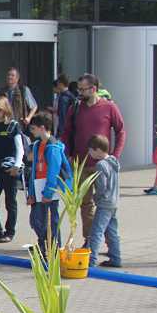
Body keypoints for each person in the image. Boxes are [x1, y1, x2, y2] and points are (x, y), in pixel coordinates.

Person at [60, 73, 125, 246]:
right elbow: (66, 132)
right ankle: (90, 242)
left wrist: (115, 156)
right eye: (78, 89)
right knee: (86, 205)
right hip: (80, 164)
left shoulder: (109, 107)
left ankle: (112, 246)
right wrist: (66, 153)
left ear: (94, 89)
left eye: (83, 89)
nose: (79, 93)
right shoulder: (75, 107)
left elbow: (121, 131)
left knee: (107, 206)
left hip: (103, 166)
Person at [26, 113, 70, 254]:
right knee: (36, 220)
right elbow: (34, 171)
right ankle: (44, 244)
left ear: (42, 128)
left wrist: (48, 192)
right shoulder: (37, 145)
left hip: (48, 189)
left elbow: (53, 172)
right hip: (38, 187)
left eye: (33, 129)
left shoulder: (53, 147)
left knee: (50, 221)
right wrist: (31, 193)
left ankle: (53, 248)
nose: (31, 132)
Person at [0, 97, 23, 243]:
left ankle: (10, 232)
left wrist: (17, 165)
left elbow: (19, 148)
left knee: (10, 202)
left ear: (5, 110)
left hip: (10, 169)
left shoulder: (13, 126)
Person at [86, 135, 122, 268]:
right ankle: (116, 257)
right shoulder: (114, 161)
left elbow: (101, 186)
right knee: (112, 231)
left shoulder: (100, 165)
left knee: (96, 231)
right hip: (114, 202)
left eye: (91, 150)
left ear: (98, 150)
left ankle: (91, 260)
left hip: (104, 203)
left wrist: (96, 198)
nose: (90, 153)